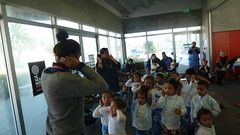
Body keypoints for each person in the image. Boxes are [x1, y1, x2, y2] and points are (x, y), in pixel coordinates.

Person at [41, 30, 108, 135]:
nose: (79, 59)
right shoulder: (65, 79)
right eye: (78, 57)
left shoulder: (45, 73)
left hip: (52, 129)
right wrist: (80, 65)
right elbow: (103, 86)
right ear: (71, 56)